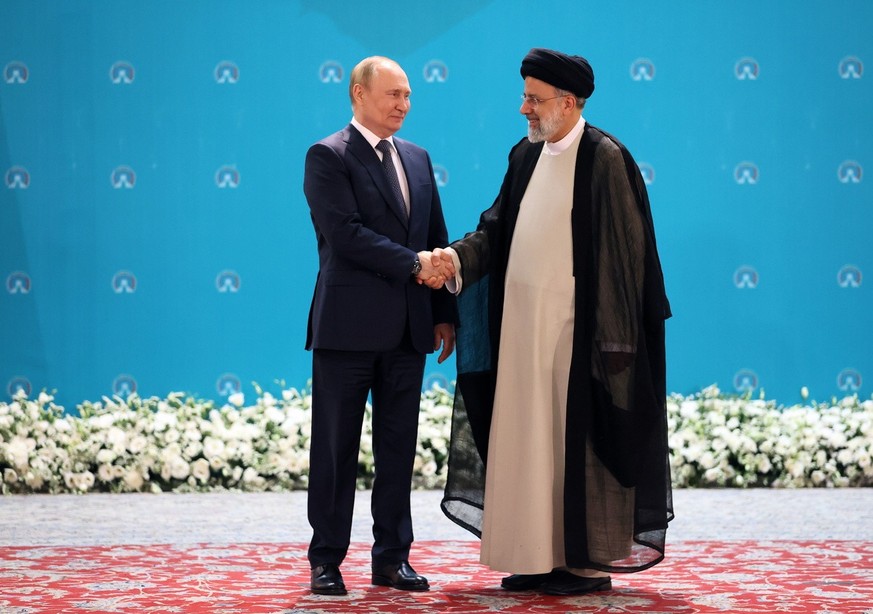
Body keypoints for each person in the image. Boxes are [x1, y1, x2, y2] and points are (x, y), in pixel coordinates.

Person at [437, 48, 673, 596]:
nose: (524, 108)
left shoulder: (606, 158)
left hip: (578, 338)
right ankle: (540, 557)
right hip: (522, 332)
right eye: (524, 96)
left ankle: (584, 564)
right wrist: (454, 260)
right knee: (531, 443)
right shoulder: (525, 155)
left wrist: (614, 345)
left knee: (577, 445)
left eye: (534, 99)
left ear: (568, 103)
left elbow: (624, 256)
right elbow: (494, 231)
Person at [303, 55, 457, 596]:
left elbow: (434, 234)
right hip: (346, 330)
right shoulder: (328, 155)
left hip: (407, 333)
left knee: (398, 449)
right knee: (335, 450)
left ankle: (393, 558)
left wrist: (443, 314)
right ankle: (326, 560)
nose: (403, 105)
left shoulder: (417, 157)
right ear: (358, 94)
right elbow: (345, 235)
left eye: (408, 96)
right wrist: (415, 265)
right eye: (393, 94)